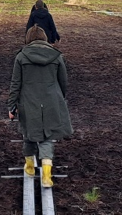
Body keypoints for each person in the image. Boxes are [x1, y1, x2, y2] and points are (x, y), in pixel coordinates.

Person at [7, 25, 73, 187]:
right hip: (51, 101)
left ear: (28, 39)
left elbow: (15, 84)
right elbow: (63, 82)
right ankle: (47, 176)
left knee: (29, 135)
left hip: (29, 102)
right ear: (44, 38)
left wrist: (12, 107)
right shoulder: (57, 56)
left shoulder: (21, 57)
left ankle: (29, 167)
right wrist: (60, 99)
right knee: (47, 138)